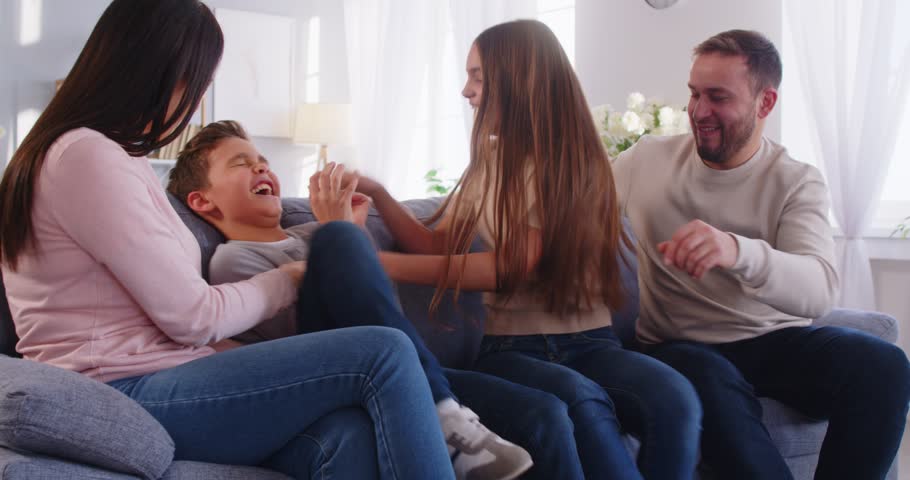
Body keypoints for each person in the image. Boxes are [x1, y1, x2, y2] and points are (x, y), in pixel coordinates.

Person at [0, 1, 455, 478]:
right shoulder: (85, 156)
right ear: (159, 72)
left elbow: (173, 321)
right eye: (196, 85)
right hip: (125, 389)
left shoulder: (105, 157)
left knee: (348, 435)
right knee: (382, 351)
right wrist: (292, 277)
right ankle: (456, 433)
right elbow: (193, 317)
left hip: (164, 374)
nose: (195, 102)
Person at [345, 19, 703, 480]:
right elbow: (438, 246)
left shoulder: (579, 166)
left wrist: (377, 264)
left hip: (592, 342)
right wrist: (379, 194)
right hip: (512, 348)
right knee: (579, 402)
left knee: (677, 398)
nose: (465, 91)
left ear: (517, 79)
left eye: (477, 75)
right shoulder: (489, 164)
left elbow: (511, 266)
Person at [612, 29, 910, 480]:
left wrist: (737, 251)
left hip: (772, 342)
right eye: (694, 94)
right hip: (678, 345)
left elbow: (817, 291)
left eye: (717, 97)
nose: (699, 112)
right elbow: (572, 214)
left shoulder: (795, 180)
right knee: (709, 378)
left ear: (765, 103)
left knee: (884, 365)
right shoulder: (644, 162)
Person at [166, 119, 535, 480]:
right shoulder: (234, 259)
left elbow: (380, 308)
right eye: (240, 163)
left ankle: (449, 416)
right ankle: (445, 417)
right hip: (344, 368)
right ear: (203, 201)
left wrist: (350, 230)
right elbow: (312, 341)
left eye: (262, 159)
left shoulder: (311, 230)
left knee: (541, 411)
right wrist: (341, 231)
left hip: (403, 362)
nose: (260, 165)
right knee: (338, 240)